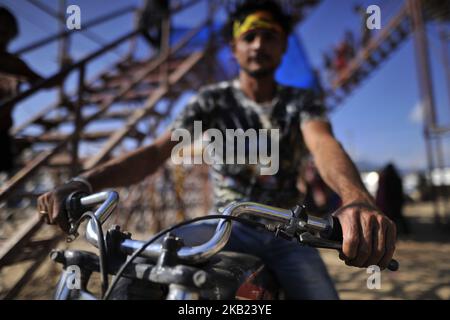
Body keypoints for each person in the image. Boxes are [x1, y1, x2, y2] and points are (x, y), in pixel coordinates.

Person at [38, 0, 397, 300]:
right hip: (224, 225)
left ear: (284, 45)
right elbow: (155, 152)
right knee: (141, 273)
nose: (258, 44)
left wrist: (356, 199)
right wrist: (84, 182)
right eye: (249, 36)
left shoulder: (300, 102)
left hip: (289, 231)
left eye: (269, 36)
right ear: (234, 47)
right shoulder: (211, 101)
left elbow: (322, 142)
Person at [0, 7, 61, 176]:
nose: (3, 35)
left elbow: (45, 83)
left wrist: (66, 69)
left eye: (6, 31)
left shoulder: (13, 63)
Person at [376, 163, 410, 235]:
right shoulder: (396, 179)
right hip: (394, 202)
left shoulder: (384, 179)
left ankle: (394, 233)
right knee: (397, 217)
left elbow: (381, 193)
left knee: (392, 218)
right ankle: (402, 232)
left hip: (387, 203)